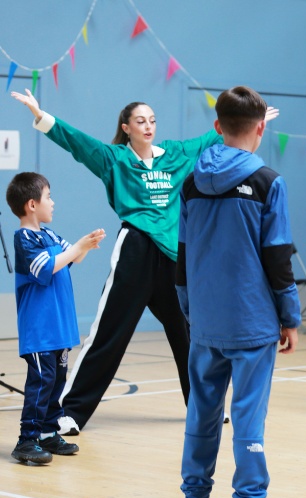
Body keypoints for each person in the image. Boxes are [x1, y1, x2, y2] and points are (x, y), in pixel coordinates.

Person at [10, 89, 275, 434]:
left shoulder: (176, 155)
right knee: (109, 334)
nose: (148, 126)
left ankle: (205, 407)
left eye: (152, 120)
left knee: (189, 335)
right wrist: (41, 115)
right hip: (135, 250)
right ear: (127, 127)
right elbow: (77, 143)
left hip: (173, 256)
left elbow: (214, 136)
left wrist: (253, 120)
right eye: (140, 121)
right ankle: (70, 412)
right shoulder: (115, 159)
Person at [175, 86, 301, 498]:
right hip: (252, 322)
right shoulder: (269, 182)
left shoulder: (191, 183)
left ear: (217, 127)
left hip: (206, 322)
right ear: (261, 127)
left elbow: (183, 255)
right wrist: (290, 316)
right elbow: (278, 257)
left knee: (201, 412)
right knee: (248, 417)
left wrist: (190, 310)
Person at [6, 172, 105, 464]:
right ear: (32, 204)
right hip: (40, 330)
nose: (53, 202)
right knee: (41, 381)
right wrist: (76, 249)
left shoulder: (49, 234)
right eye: (48, 197)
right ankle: (27, 439)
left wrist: (84, 245)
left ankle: (48, 433)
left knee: (57, 380)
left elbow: (73, 257)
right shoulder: (24, 238)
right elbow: (45, 268)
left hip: (59, 327)